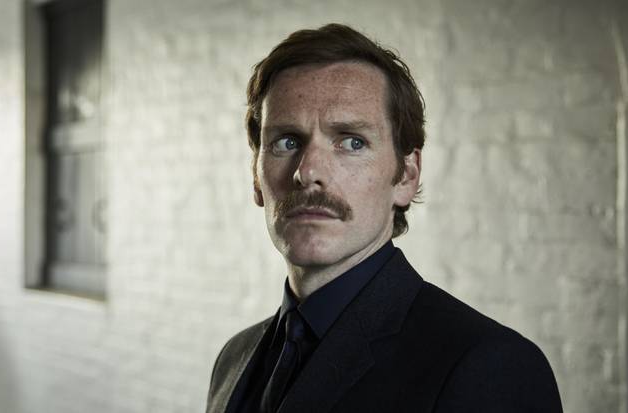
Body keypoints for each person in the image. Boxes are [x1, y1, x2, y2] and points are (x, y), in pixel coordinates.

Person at [206, 24, 562, 413]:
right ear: (255, 178)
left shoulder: (491, 367)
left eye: (351, 141)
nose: (307, 171)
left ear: (406, 176)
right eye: (287, 141)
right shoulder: (234, 359)